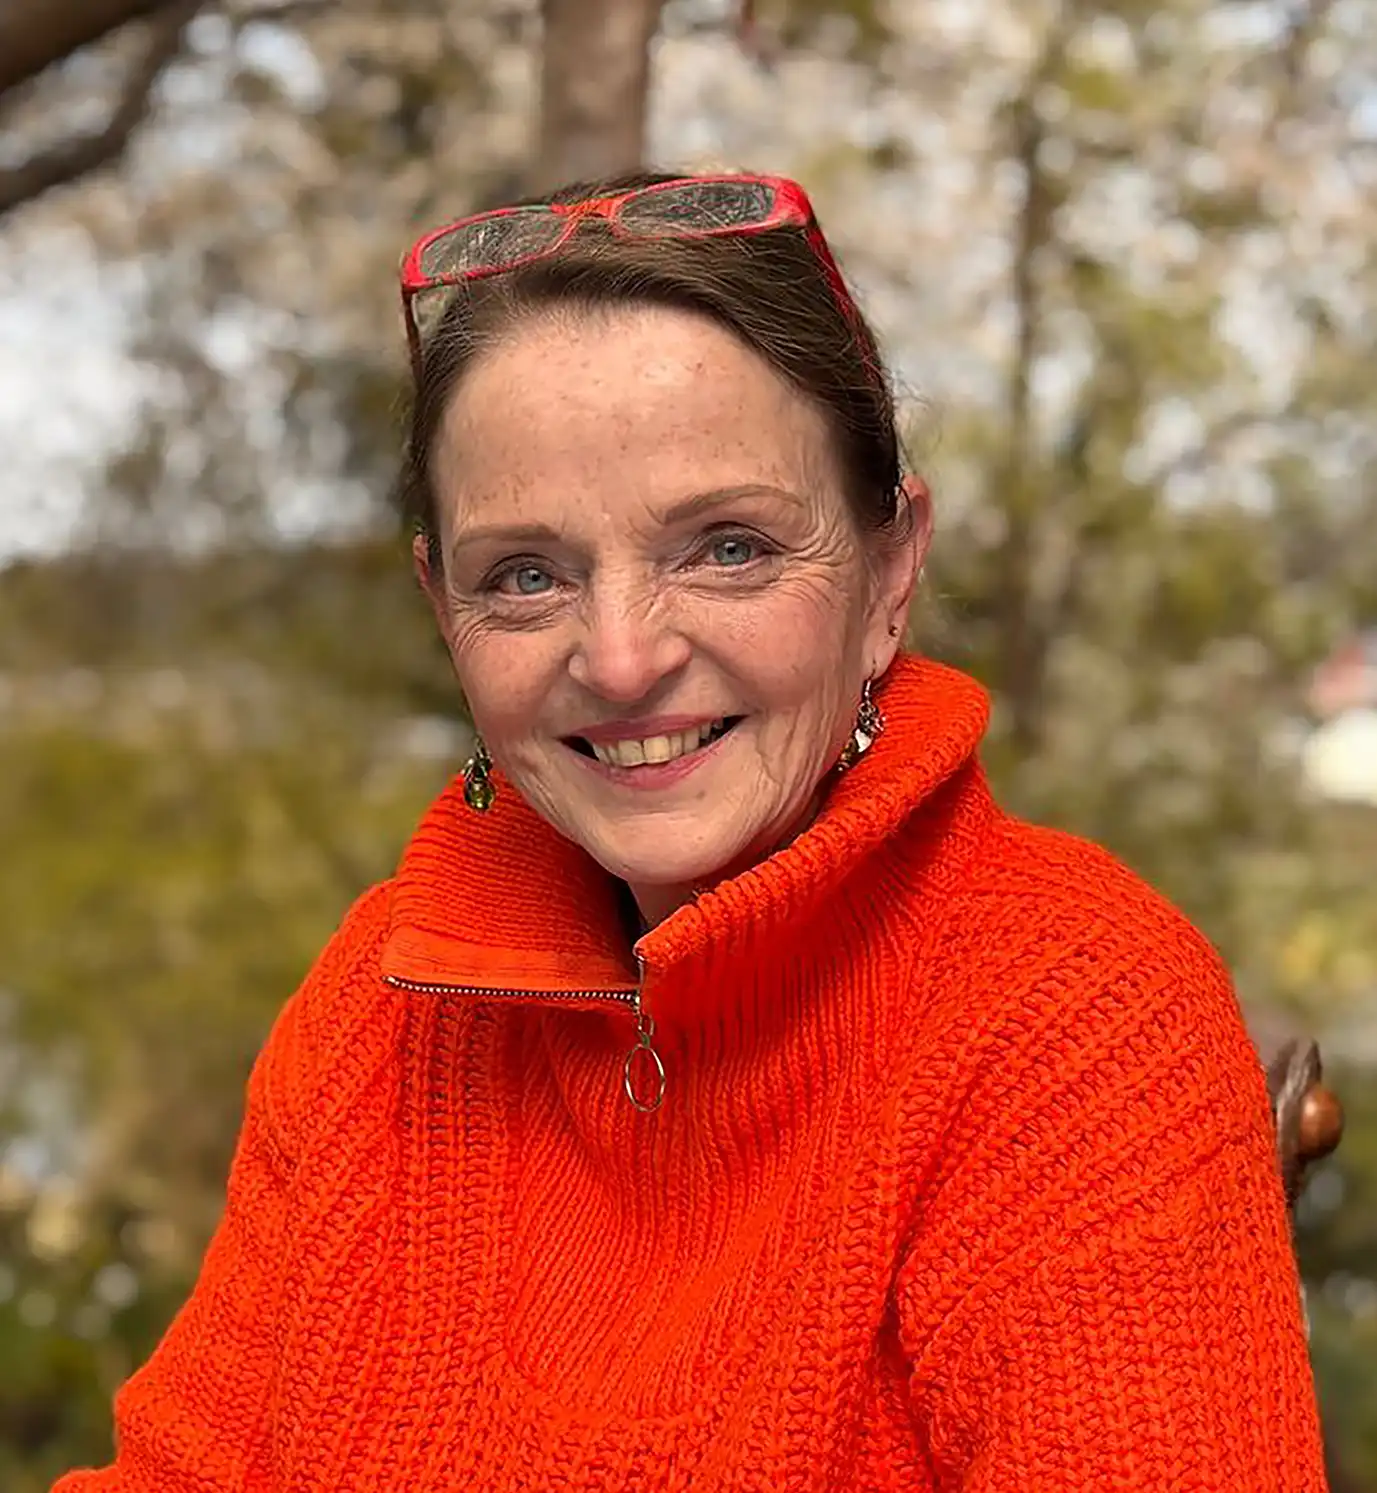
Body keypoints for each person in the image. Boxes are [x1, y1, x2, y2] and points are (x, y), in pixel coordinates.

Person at [57, 171, 1328, 1491]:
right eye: (526, 575)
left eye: (727, 548)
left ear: (890, 571)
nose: (621, 659)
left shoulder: (1074, 1023)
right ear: (445, 613)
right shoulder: (378, 1011)